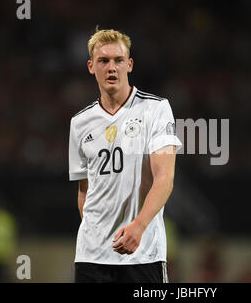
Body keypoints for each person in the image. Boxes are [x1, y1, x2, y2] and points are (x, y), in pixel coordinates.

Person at [68, 27, 181, 283]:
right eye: (103, 61)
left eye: (118, 60)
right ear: (90, 66)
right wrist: (97, 237)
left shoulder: (156, 109)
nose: (111, 67)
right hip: (92, 258)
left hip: (143, 254)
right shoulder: (79, 122)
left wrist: (138, 227)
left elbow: (165, 178)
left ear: (129, 65)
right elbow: (84, 191)